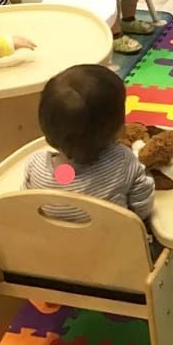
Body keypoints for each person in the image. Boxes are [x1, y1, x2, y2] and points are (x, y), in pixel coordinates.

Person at [23, 63, 155, 227]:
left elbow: (26, 208)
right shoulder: (123, 161)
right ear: (117, 127)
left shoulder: (34, 166)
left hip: (50, 248)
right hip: (113, 249)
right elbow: (142, 209)